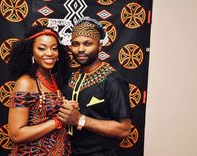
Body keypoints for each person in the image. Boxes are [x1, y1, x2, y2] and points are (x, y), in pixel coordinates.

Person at [57, 17, 132, 156]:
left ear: (99, 46)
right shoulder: (71, 78)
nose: (80, 49)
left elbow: (125, 129)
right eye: (75, 44)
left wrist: (80, 119)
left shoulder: (112, 81)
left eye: (87, 43)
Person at [8, 25, 72, 155]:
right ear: (31, 51)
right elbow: (16, 135)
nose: (49, 53)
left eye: (54, 48)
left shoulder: (54, 78)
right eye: (42, 48)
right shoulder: (25, 83)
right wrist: (58, 121)